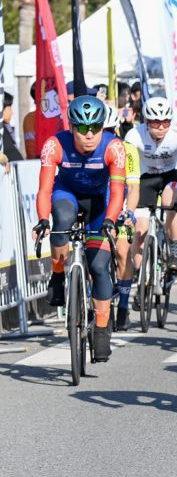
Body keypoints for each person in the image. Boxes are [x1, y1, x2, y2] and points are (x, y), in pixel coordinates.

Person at [33, 96, 127, 361]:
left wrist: (110, 220)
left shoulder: (114, 147)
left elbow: (117, 191)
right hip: (67, 194)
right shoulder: (54, 145)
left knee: (98, 267)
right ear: (71, 127)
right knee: (62, 221)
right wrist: (43, 219)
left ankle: (101, 331)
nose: (89, 135)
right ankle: (58, 275)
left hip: (100, 201)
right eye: (83, 128)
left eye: (95, 128)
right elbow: (45, 189)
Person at [124, 97, 177, 282]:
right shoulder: (134, 136)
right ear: (146, 121)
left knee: (172, 201)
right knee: (141, 227)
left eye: (165, 122)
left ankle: (175, 250)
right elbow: (130, 170)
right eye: (155, 123)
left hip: (171, 175)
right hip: (145, 177)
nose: (161, 127)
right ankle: (139, 274)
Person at [106, 103, 142, 331]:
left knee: (122, 252)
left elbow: (134, 186)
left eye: (109, 131)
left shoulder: (128, 150)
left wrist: (130, 211)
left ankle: (122, 307)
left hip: (120, 205)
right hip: (99, 205)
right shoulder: (86, 149)